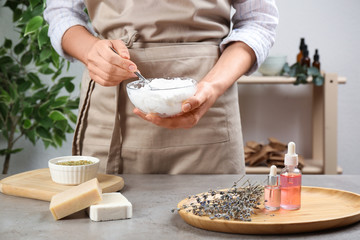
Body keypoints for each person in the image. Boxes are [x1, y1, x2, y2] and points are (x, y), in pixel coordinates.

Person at [44, 0, 279, 174]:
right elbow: (62, 11)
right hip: (110, 111)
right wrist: (89, 51)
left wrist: (212, 86)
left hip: (208, 105)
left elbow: (258, 19)